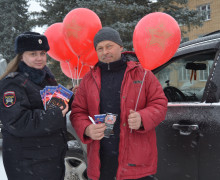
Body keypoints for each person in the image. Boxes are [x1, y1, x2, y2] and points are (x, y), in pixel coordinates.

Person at [70, 27, 168, 180]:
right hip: (101, 159)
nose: (105, 52)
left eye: (109, 46)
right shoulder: (88, 79)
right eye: (100, 48)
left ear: (120, 47)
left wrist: (143, 118)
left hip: (134, 160)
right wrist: (87, 129)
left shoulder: (142, 72)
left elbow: (160, 103)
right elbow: (77, 111)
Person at [0, 32, 68, 180]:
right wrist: (55, 113)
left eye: (42, 53)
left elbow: (51, 104)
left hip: (49, 160)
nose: (39, 58)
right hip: (28, 165)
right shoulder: (13, 83)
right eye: (33, 53)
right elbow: (16, 122)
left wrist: (71, 97)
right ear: (21, 56)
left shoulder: (45, 79)